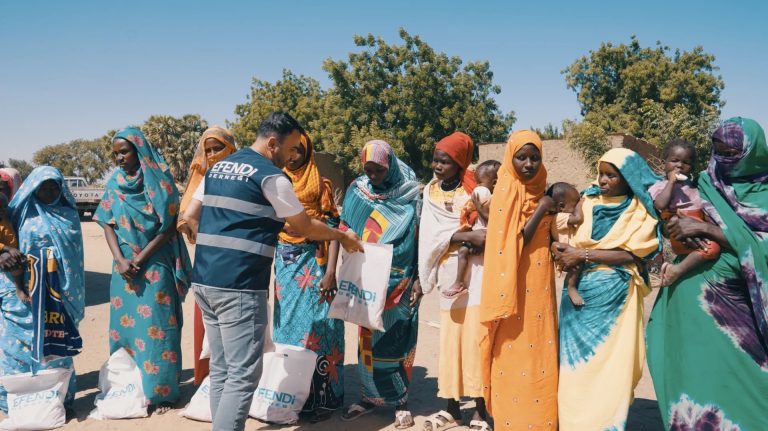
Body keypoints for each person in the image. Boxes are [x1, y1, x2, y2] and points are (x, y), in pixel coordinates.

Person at [184, 112, 362, 431]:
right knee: (242, 376)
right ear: (271, 143)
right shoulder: (269, 175)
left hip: (205, 281)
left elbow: (191, 214)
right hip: (239, 286)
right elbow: (304, 225)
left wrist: (216, 247)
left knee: (223, 369)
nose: (293, 155)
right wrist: (341, 235)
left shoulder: (219, 168)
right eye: (291, 148)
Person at [647, 117, 768, 429]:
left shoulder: (763, 195)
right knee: (693, 376)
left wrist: (705, 228)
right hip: (688, 297)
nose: (723, 160)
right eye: (718, 151)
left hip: (740, 310)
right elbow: (667, 212)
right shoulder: (703, 183)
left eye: (732, 154)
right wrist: (671, 226)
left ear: (752, 155)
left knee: (746, 379)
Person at [553, 148, 661, 430]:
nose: (602, 180)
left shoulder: (640, 212)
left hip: (616, 302)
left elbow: (636, 256)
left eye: (611, 175)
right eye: (601, 174)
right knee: (574, 369)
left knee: (612, 368)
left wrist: (583, 255)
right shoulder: (586, 203)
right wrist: (565, 251)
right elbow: (563, 236)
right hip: (576, 299)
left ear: (628, 178)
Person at [93, 128, 193, 414]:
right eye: (115, 154)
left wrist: (141, 258)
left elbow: (169, 226)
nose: (119, 158)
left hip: (155, 266)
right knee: (125, 329)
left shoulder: (161, 184)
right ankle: (130, 388)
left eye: (124, 152)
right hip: (123, 269)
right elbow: (106, 221)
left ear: (139, 151)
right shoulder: (115, 183)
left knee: (159, 328)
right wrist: (120, 259)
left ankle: (161, 393)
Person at [338, 140, 422, 429]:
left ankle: (400, 401)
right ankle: (368, 397)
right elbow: (345, 226)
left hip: (402, 280)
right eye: (369, 169)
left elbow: (422, 235)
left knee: (399, 338)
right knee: (367, 341)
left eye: (379, 170)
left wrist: (419, 279)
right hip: (369, 278)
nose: (373, 175)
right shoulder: (358, 191)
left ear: (391, 165)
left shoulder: (410, 193)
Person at [479, 130, 559, 430]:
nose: (528, 164)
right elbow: (514, 242)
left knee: (540, 350)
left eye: (534, 157)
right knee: (512, 354)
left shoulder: (546, 192)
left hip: (540, 286)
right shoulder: (507, 192)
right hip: (510, 292)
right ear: (509, 158)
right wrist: (542, 209)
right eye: (521, 157)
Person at [418, 132, 490, 431]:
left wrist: (469, 237)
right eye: (435, 159)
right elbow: (431, 233)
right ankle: (451, 407)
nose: (437, 165)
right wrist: (462, 235)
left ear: (460, 163)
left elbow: (486, 231)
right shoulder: (430, 192)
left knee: (476, 340)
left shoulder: (475, 190)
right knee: (450, 341)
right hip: (449, 272)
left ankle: (480, 411)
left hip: (476, 272)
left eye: (445, 161)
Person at [271, 131, 344, 422]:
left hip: (316, 263)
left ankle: (323, 398)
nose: (293, 156)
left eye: (299, 151)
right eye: (290, 150)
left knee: (321, 329)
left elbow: (335, 229)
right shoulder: (274, 183)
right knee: (288, 328)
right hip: (286, 268)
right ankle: (292, 396)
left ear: (308, 152)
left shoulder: (321, 186)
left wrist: (330, 272)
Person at [0, 167, 85, 413]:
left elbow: (74, 261)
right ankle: (16, 403)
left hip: (56, 293)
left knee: (55, 343)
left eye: (54, 186)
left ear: (62, 189)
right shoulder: (19, 212)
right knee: (16, 345)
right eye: (43, 187)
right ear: (32, 189)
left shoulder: (69, 216)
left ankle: (58, 400)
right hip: (20, 291)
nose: (49, 191)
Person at [176, 125, 237, 386]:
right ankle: (205, 380)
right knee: (207, 321)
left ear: (231, 148)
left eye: (218, 148)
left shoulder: (240, 176)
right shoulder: (201, 178)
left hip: (235, 257)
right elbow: (186, 217)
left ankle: (234, 382)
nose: (212, 154)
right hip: (208, 257)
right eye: (208, 149)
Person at [649, 139, 720, 286]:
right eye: (674, 161)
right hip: (678, 231)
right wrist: (671, 183)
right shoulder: (659, 186)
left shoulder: (696, 187)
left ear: (692, 167)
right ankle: (675, 271)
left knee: (712, 248)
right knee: (712, 249)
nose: (680, 166)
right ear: (664, 163)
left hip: (697, 228)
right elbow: (660, 204)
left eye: (686, 163)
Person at [443, 160, 500, 299]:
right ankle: (459, 283)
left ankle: (460, 283)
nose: (477, 187)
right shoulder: (485, 197)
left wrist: (479, 208)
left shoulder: (496, 199)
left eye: (480, 183)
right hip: (478, 234)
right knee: (463, 251)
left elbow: (491, 220)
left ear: (494, 184)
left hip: (488, 235)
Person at [546, 182, 584, 306]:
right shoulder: (559, 217)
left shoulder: (561, 215)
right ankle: (571, 287)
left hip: (566, 248)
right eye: (575, 203)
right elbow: (578, 218)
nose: (577, 206)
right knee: (577, 266)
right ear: (561, 206)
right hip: (563, 250)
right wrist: (581, 203)